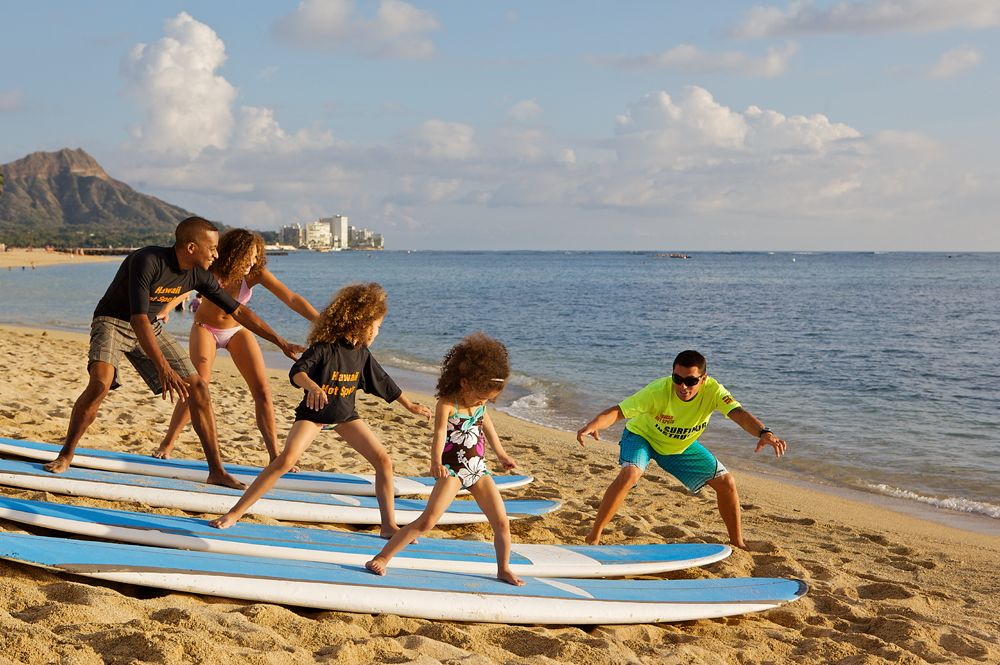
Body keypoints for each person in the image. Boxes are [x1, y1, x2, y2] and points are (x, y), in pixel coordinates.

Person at [42, 216, 305, 488]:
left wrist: (281, 342)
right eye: (212, 248)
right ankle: (66, 454)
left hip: (150, 325)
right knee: (100, 383)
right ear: (191, 248)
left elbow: (238, 311)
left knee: (199, 388)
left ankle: (216, 471)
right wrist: (163, 368)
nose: (217, 254)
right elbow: (138, 318)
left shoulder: (200, 275)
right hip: (114, 321)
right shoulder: (147, 261)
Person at [208, 283, 431, 535]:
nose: (378, 332)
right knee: (285, 461)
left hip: (346, 416)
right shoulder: (325, 348)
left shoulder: (361, 353)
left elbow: (384, 381)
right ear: (361, 322)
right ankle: (234, 513)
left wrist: (409, 405)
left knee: (383, 460)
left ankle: (388, 525)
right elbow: (297, 372)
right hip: (314, 416)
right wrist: (313, 387)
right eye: (377, 326)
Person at [576, 350, 787, 550]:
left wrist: (763, 433)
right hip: (641, 437)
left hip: (678, 446)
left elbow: (738, 414)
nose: (683, 386)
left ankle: (737, 542)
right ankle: (594, 535)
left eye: (691, 381)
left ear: (703, 379)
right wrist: (594, 424)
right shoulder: (657, 391)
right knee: (630, 474)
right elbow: (618, 411)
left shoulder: (714, 392)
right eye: (678, 379)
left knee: (726, 482)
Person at [366, 332, 524, 586]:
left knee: (502, 523)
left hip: (478, 469)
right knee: (427, 521)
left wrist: (503, 456)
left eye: (489, 399)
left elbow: (489, 432)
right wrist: (436, 462)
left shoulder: (481, 405)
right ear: (465, 383)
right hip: (452, 469)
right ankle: (383, 557)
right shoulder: (448, 403)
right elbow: (440, 433)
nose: (485, 402)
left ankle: (503, 568)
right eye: (483, 396)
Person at [153, 229, 320, 466]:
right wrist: (166, 309)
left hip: (237, 331)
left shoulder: (255, 274)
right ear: (235, 253)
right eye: (249, 256)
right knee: (198, 384)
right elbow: (184, 289)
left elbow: (291, 298)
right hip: (205, 329)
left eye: (256, 256)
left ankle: (274, 455)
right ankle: (167, 443)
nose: (252, 262)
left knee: (262, 390)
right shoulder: (211, 268)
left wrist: (320, 321)